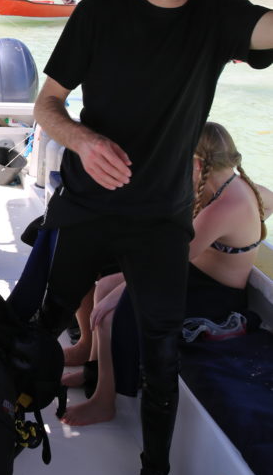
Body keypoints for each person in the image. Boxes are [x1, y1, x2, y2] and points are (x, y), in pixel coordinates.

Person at [33, 0, 273, 475]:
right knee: (47, 317)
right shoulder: (99, 14)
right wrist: (81, 141)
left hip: (162, 219)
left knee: (163, 356)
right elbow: (46, 105)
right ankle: (12, 415)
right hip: (88, 202)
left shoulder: (217, 18)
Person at [61, 121, 273, 426]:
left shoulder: (226, 206)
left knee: (110, 313)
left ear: (199, 163)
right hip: (194, 277)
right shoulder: (231, 186)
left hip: (215, 298)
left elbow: (168, 263)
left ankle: (103, 402)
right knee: (105, 284)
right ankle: (95, 373)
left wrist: (123, 295)